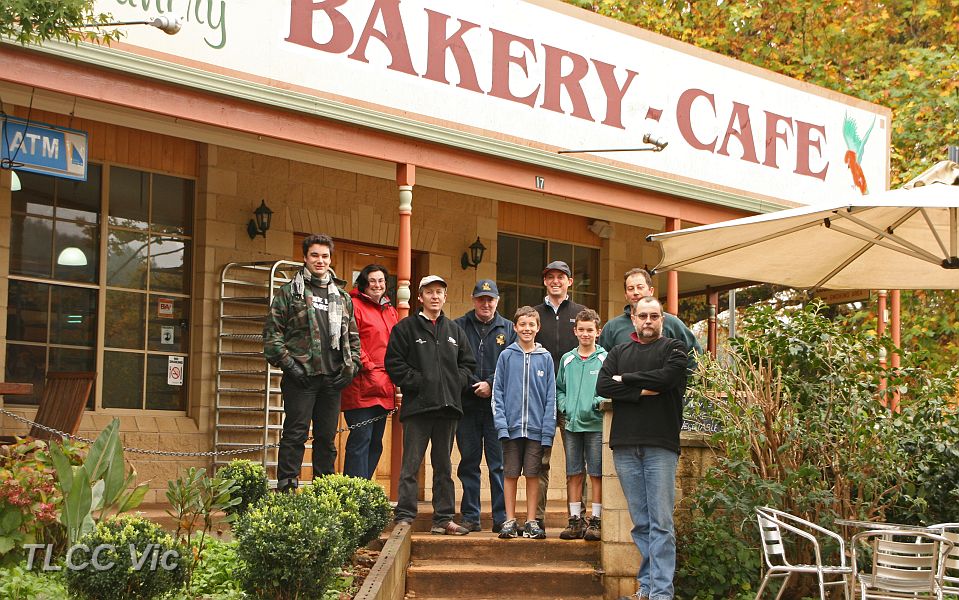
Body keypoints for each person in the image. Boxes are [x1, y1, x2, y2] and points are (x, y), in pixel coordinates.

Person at [596, 296, 689, 600]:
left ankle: (661, 593)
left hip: (660, 445)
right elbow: (604, 386)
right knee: (641, 523)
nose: (648, 321)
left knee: (661, 523)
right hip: (624, 445)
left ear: (662, 319)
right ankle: (647, 589)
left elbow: (669, 377)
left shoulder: (674, 348)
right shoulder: (619, 351)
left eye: (654, 316)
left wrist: (628, 381)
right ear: (633, 319)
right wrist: (645, 389)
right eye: (643, 316)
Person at [263, 234, 361, 492]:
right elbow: (272, 336)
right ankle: (287, 489)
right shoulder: (289, 293)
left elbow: (353, 338)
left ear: (331, 259)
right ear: (305, 258)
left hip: (332, 379)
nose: (320, 260)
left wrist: (351, 368)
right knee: (295, 435)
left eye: (325, 256)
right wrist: (290, 365)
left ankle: (324, 491)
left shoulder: (341, 296)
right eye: (315, 255)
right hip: (301, 378)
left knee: (327, 440)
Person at [385, 275, 476, 535]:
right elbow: (394, 364)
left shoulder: (455, 331)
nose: (435, 296)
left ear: (445, 297)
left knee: (444, 467)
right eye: (430, 292)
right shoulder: (406, 329)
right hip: (418, 408)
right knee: (410, 465)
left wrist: (454, 382)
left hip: (448, 409)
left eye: (439, 292)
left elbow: (468, 365)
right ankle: (404, 517)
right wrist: (422, 382)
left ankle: (443, 519)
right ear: (420, 297)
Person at [454, 279, 516, 533]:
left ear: (497, 301)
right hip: (466, 405)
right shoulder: (458, 326)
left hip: (497, 408)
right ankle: (470, 516)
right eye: (481, 299)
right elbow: (455, 362)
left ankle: (501, 517)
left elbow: (510, 364)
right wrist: (473, 384)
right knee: (468, 462)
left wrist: (490, 384)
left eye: (490, 299)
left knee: (498, 464)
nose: (486, 303)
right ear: (473, 299)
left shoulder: (509, 328)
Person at [492, 306, 556, 540]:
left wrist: (548, 431)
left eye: (532, 325)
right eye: (523, 325)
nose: (527, 329)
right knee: (510, 474)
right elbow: (497, 392)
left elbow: (551, 396)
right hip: (511, 428)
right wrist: (501, 423)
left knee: (533, 474)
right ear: (515, 327)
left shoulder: (545, 358)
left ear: (538, 328)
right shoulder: (506, 356)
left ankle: (531, 520)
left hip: (537, 430)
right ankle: (509, 520)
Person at [534, 260, 586, 529]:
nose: (556, 281)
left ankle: (578, 519)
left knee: (575, 462)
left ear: (569, 281)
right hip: (540, 402)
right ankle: (537, 519)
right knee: (540, 462)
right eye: (550, 277)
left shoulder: (581, 313)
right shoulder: (533, 314)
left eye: (561, 277)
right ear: (545, 281)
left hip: (572, 401)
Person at [340, 264, 399, 479]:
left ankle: (364, 490)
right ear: (364, 282)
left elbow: (396, 344)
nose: (377, 285)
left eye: (381, 280)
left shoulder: (390, 309)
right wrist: (370, 368)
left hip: (384, 386)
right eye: (372, 280)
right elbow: (350, 340)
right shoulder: (354, 305)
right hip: (360, 385)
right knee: (360, 440)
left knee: (376, 443)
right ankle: (353, 494)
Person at [557, 308, 606, 542]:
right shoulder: (567, 359)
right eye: (581, 330)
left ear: (598, 331)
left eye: (590, 330)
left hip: (595, 425)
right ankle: (575, 520)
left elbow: (608, 389)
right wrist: (564, 405)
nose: (586, 334)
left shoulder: (605, 358)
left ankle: (596, 520)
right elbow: (559, 388)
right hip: (572, 425)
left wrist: (596, 403)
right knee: (573, 473)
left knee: (596, 473)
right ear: (575, 331)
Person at [598, 268, 701, 372]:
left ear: (651, 291)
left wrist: (683, 383)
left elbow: (695, 355)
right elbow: (601, 363)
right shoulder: (612, 328)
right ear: (625, 295)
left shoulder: (672, 323)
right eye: (630, 288)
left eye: (640, 287)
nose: (635, 292)